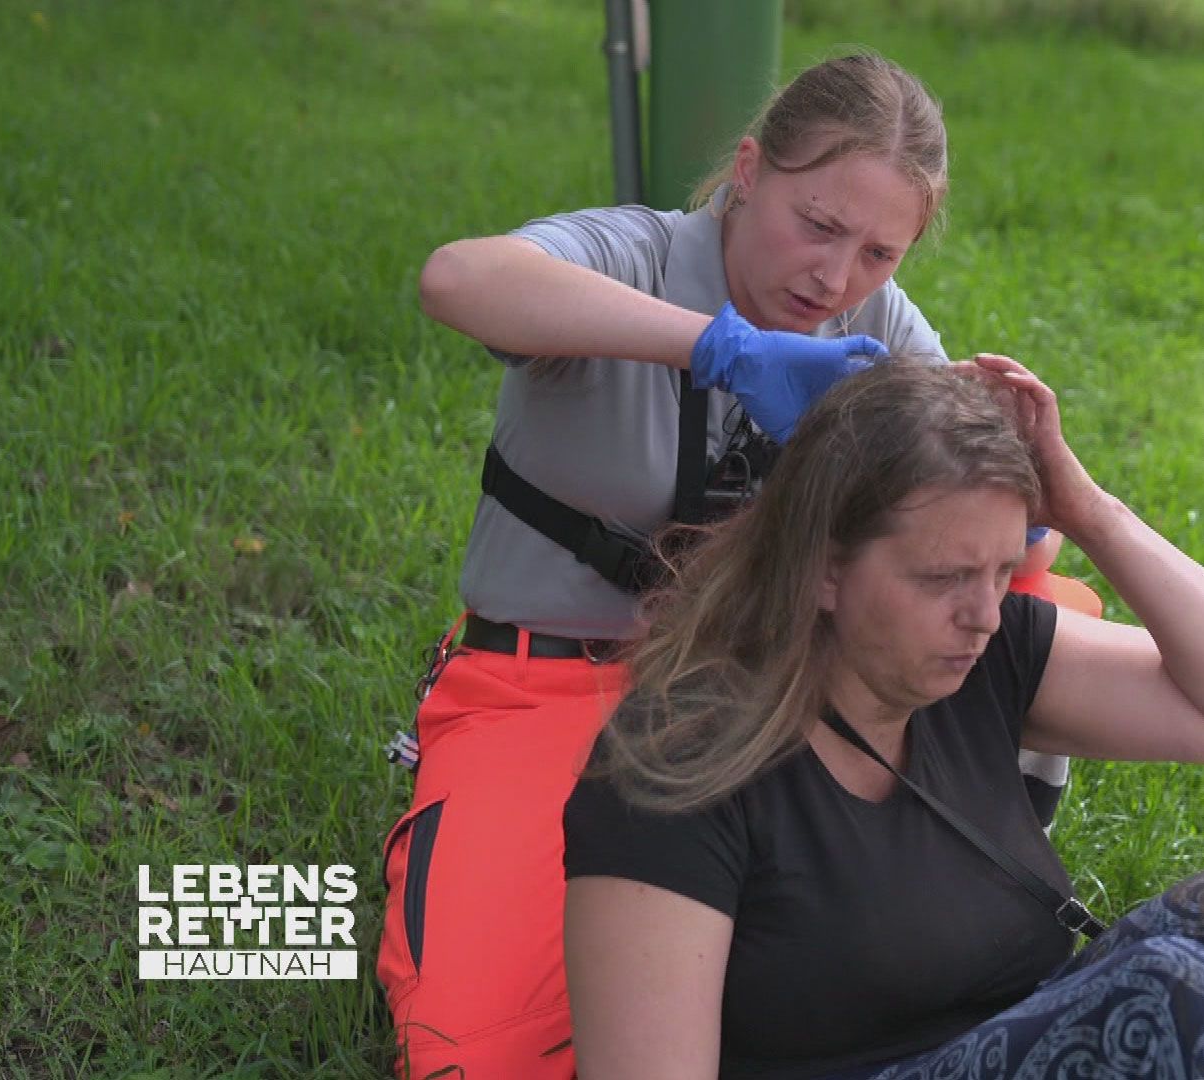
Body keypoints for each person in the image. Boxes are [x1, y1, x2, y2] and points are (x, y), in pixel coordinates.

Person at [377, 53, 1081, 1078]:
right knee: (475, 1052)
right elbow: (458, 281)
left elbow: (996, 529)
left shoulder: (876, 328)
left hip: (761, 696)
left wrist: (1031, 493)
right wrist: (723, 348)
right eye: (818, 225)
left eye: (880, 252)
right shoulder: (635, 253)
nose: (834, 279)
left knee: (1037, 595)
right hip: (550, 681)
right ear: (749, 170)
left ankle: (968, 842)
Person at [562, 358, 1204, 1079]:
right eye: (944, 578)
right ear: (821, 570)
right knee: (1163, 993)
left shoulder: (974, 662)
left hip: (1006, 1040)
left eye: (1003, 571)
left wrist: (1085, 508)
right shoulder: (676, 762)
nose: (985, 613)